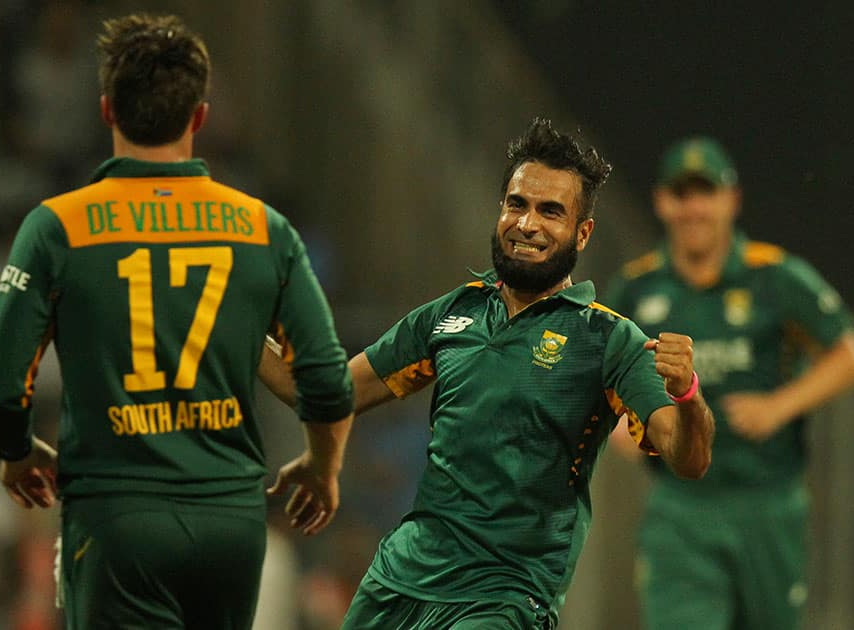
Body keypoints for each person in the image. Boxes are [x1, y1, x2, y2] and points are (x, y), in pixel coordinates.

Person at [0, 13, 355, 630]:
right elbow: (328, 381)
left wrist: (16, 453)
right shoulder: (265, 229)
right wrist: (321, 466)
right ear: (199, 117)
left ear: (106, 110)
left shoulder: (56, 228)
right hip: (230, 524)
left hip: (118, 522)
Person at [278, 118, 714, 629]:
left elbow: (689, 459)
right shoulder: (450, 314)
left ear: (583, 232)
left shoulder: (609, 340)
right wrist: (239, 330)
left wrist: (687, 394)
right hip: (399, 579)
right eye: (517, 204)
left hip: (504, 596)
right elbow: (326, 392)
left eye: (550, 212)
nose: (527, 224)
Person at [604, 136, 854, 630]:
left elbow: (852, 356)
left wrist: (780, 406)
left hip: (767, 503)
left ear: (732, 199)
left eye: (706, 192)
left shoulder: (773, 277)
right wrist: (616, 426)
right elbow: (596, 375)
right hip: (681, 510)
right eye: (682, 194)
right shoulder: (639, 288)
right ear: (663, 202)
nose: (694, 208)